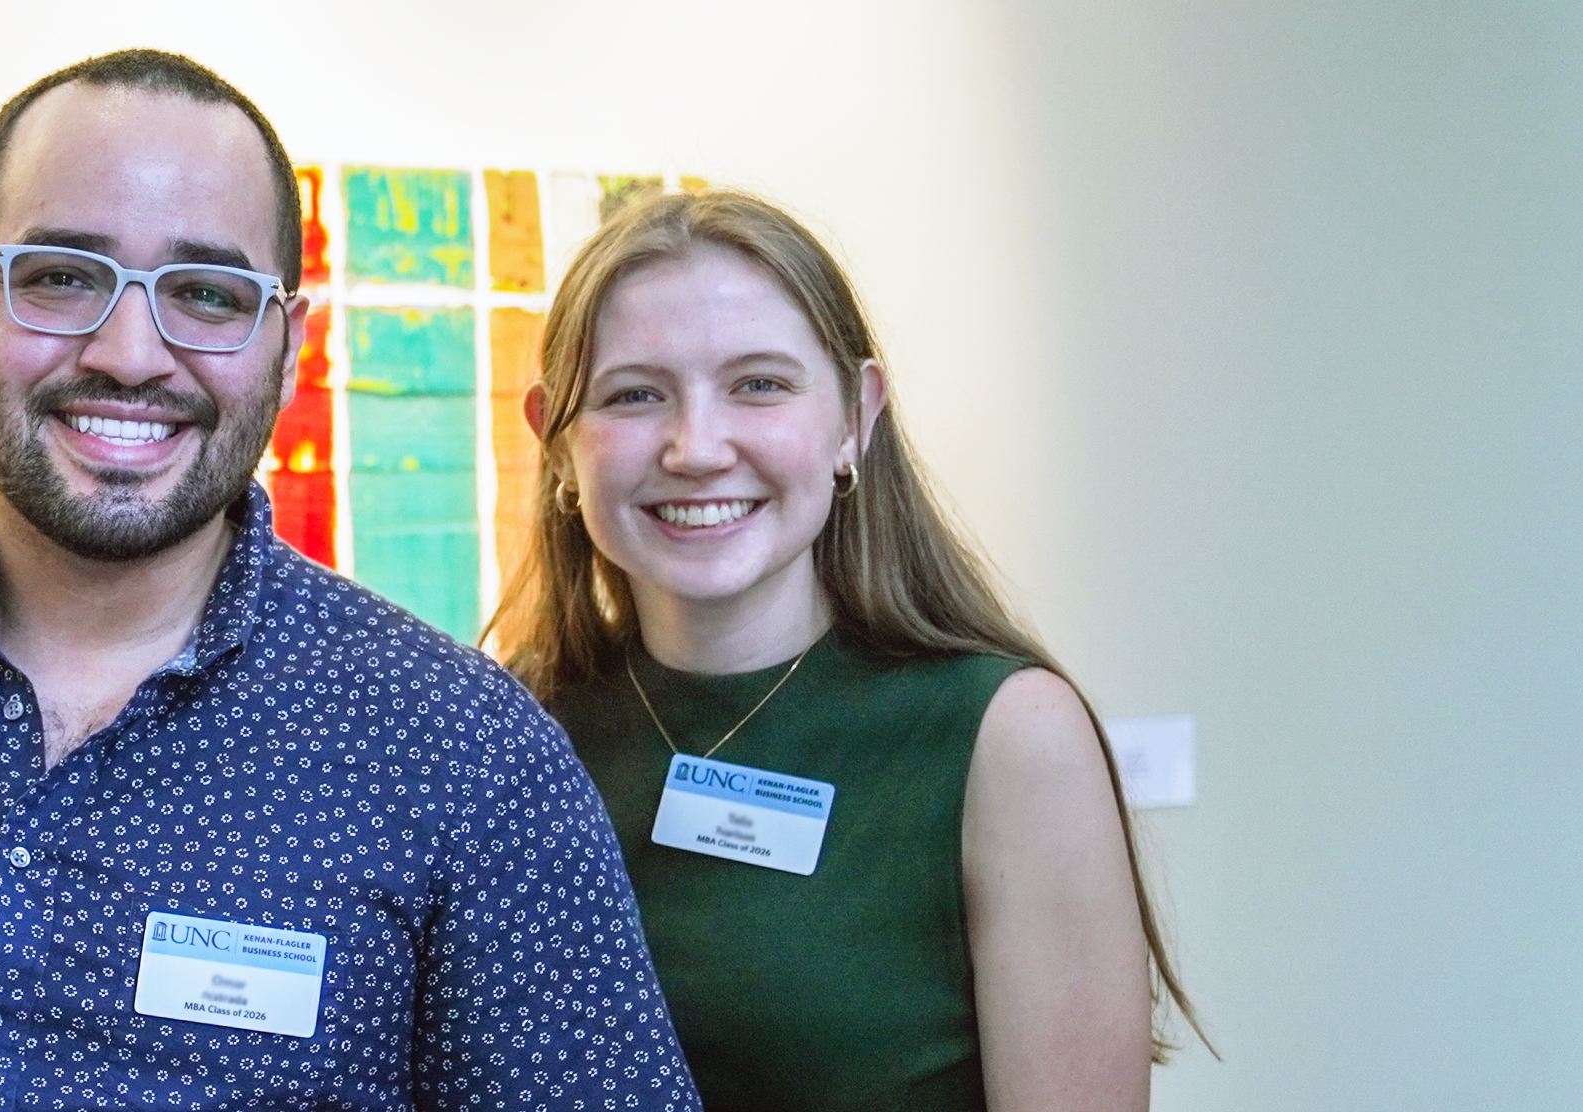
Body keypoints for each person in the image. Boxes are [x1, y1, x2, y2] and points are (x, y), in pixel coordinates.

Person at [0, 49, 696, 1112]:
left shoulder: (466, 759)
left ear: (288, 345)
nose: (130, 354)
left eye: (206, 294)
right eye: (60, 277)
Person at [492, 190, 1204, 1111]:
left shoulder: (1006, 738)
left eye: (759, 385)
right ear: (554, 440)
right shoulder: (504, 738)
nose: (696, 448)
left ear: (855, 416)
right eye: (635, 395)